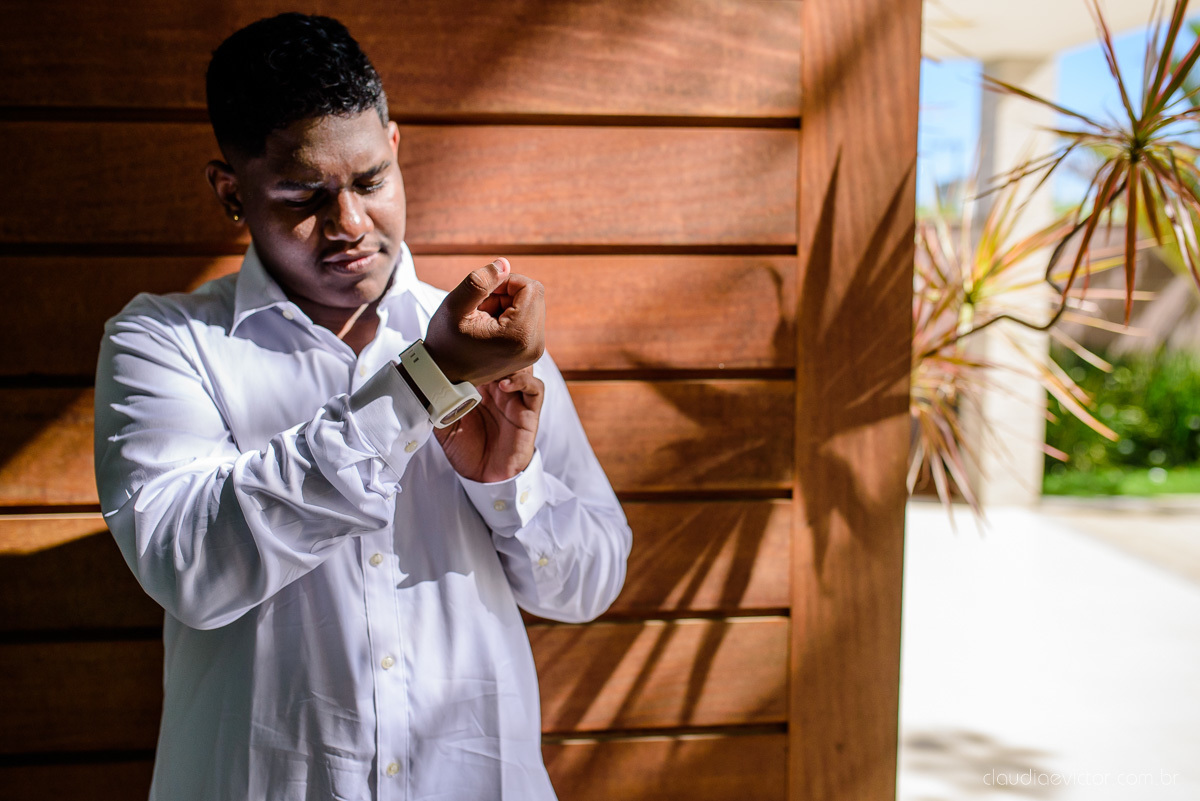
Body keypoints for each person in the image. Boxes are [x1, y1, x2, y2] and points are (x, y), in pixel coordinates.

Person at [93, 12, 631, 801]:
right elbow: (192, 566)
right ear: (230, 191)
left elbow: (589, 585)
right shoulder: (163, 342)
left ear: (396, 149)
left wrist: (509, 490)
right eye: (303, 195)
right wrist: (423, 383)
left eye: (370, 181)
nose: (349, 224)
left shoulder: (489, 339)